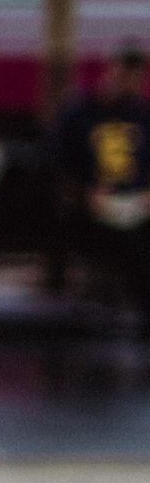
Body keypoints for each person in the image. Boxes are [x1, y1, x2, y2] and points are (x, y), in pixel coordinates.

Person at [55, 41, 150, 327]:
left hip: (137, 203)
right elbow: (59, 163)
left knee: (138, 235)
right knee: (131, 242)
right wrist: (85, 193)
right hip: (90, 207)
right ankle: (140, 308)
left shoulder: (141, 115)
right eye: (126, 76)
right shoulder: (80, 113)